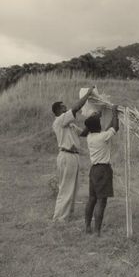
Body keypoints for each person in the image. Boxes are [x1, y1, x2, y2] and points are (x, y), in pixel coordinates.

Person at [51, 87, 94, 225]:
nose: (66, 108)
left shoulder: (70, 125)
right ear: (58, 111)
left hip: (73, 156)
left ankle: (67, 215)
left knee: (73, 188)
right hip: (66, 155)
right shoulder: (59, 121)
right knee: (65, 188)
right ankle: (58, 219)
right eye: (63, 107)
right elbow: (76, 108)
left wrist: (92, 119)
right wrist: (87, 95)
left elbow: (84, 134)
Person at [84, 105, 119, 236]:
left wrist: (112, 117)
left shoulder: (91, 137)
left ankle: (87, 227)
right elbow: (115, 128)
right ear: (97, 126)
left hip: (93, 170)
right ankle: (97, 231)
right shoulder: (101, 136)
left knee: (92, 199)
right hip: (103, 170)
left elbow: (109, 129)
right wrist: (115, 113)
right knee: (101, 201)